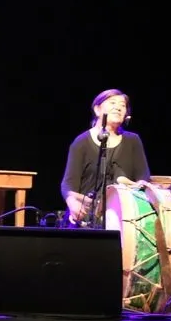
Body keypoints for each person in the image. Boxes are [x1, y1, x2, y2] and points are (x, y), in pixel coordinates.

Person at [60, 88, 151, 227]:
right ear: (97, 110)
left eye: (122, 105)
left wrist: (134, 187)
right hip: (88, 216)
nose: (118, 108)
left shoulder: (133, 141)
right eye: (112, 102)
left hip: (124, 215)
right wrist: (72, 202)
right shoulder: (81, 142)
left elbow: (143, 177)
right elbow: (68, 184)